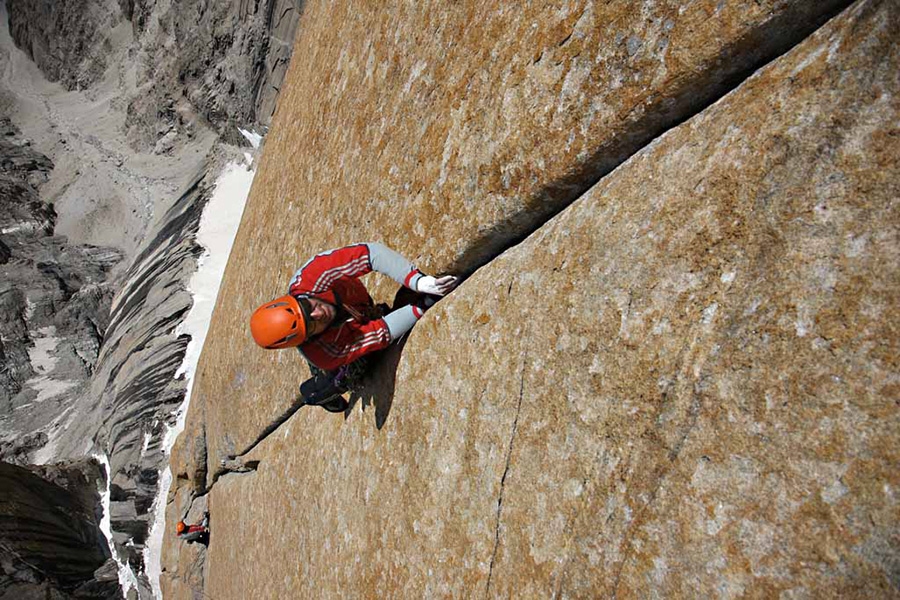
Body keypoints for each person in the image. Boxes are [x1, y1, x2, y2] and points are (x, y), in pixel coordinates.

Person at [249, 242, 458, 400]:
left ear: (297, 298)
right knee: (348, 373)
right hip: (343, 344)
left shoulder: (310, 278)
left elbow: (371, 254)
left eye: (307, 307)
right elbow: (380, 332)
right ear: (308, 338)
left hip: (357, 309)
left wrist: (418, 281)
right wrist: (422, 306)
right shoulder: (324, 353)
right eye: (311, 325)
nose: (318, 314)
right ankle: (319, 392)